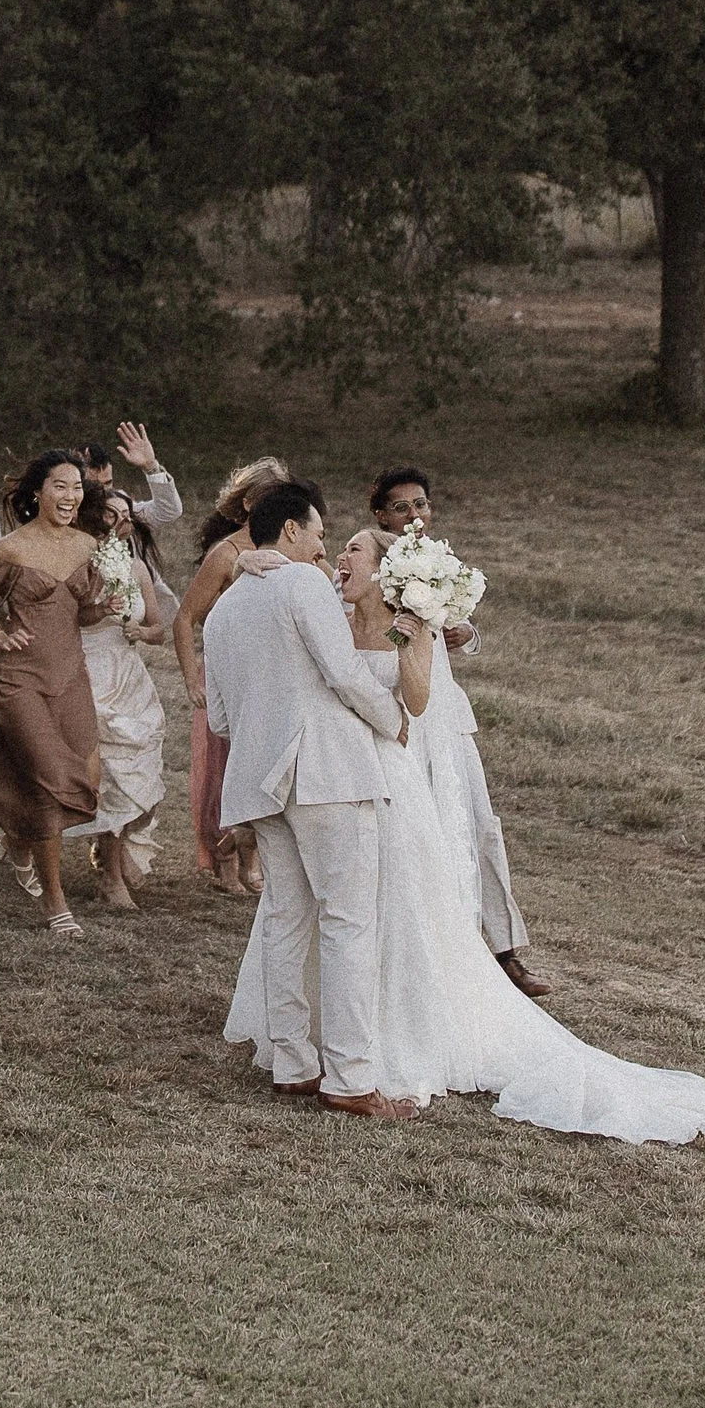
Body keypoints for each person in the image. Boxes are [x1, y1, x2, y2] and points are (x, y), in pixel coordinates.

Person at [225, 516, 705, 1143]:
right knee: (325, 915)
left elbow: (414, 705)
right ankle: (315, 1054)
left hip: (380, 779)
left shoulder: (404, 627)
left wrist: (415, 641)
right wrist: (252, 560)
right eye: (338, 545)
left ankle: (380, 1043)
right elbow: (285, 602)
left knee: (376, 916)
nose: (339, 556)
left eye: (354, 549)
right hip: (329, 779)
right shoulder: (319, 603)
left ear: (386, 570)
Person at [205, 479, 423, 1118]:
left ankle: (295, 1065)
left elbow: (219, 718)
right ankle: (352, 1079)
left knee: (284, 918)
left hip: (259, 779)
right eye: (321, 534)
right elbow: (344, 671)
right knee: (348, 919)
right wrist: (393, 719)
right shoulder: (301, 584)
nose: (325, 549)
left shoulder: (222, 612)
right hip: (327, 772)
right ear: (292, 530)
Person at [371, 461, 544, 994]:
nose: (412, 514)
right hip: (395, 715)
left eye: (419, 503)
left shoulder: (440, 567)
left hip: (446, 716)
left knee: (479, 825)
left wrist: (466, 632)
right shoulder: (367, 567)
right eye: (400, 506)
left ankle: (503, 950)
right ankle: (422, 954)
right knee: (414, 835)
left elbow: (465, 634)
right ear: (381, 514)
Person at [0, 449, 120, 937]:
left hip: (71, 675)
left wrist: (108, 606)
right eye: (60, 486)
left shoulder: (85, 545)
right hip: (19, 679)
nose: (71, 496)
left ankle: (20, 838)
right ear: (37, 492)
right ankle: (55, 901)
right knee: (53, 782)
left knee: (87, 775)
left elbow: (84, 614)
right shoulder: (7, 549)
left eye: (76, 488)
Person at [171, 457, 288, 895]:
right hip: (226, 674)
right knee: (224, 765)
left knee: (264, 763)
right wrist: (190, 679)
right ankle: (223, 858)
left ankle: (254, 858)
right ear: (245, 503)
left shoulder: (290, 549)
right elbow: (184, 619)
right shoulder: (227, 552)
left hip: (274, 675)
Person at [69, 481, 174, 910]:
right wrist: (98, 609)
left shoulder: (137, 568)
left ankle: (112, 846)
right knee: (110, 773)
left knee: (141, 771)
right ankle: (110, 879)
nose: (120, 523)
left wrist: (139, 631)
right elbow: (70, 619)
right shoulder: (77, 562)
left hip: (128, 675)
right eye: (111, 515)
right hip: (89, 671)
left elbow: (158, 628)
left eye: (126, 517)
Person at [72, 418, 186, 543]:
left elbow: (168, 511)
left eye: (108, 483)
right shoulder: (63, 509)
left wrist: (151, 467)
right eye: (94, 485)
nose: (103, 491)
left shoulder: (120, 505)